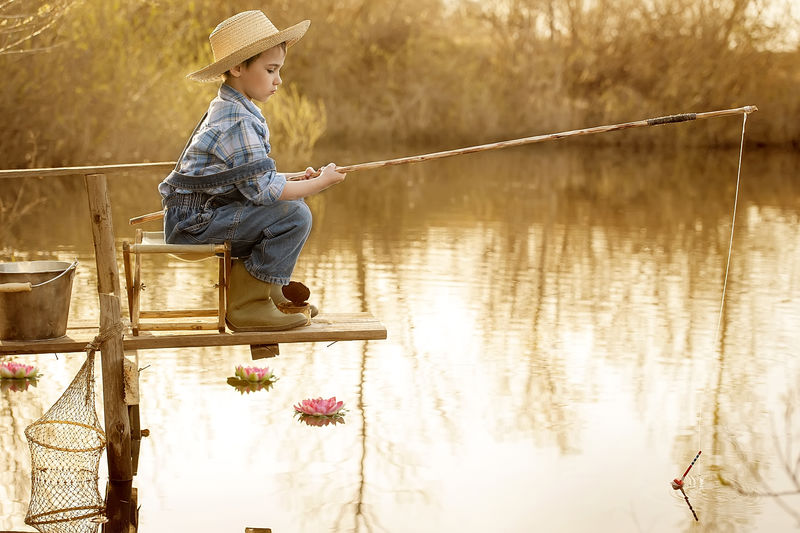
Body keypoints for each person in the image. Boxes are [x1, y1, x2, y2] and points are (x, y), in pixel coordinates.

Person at [158, 10, 346, 332]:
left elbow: (250, 181)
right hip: (193, 226)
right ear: (237, 67)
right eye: (271, 70)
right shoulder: (237, 120)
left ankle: (269, 293)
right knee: (295, 215)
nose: (279, 80)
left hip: (204, 215)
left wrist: (295, 178)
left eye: (279, 70)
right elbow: (263, 191)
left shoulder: (233, 107)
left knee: (290, 208)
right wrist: (321, 184)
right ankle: (247, 305)